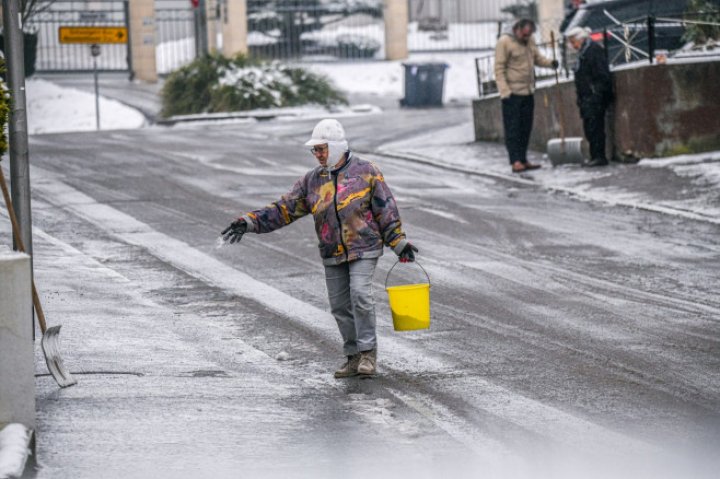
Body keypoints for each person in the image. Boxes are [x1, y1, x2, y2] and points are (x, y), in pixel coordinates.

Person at [221, 118, 417, 378]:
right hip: (332, 251)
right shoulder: (312, 181)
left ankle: (368, 353)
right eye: (315, 150)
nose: (318, 155)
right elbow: (284, 209)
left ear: (336, 146)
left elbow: (386, 210)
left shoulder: (367, 172)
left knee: (360, 294)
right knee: (339, 307)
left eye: (321, 149)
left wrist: (398, 242)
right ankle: (353, 356)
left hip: (364, 246)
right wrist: (249, 222)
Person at [495, 18, 559, 174]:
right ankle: (515, 161)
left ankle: (523, 159)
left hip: (528, 91)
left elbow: (536, 58)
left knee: (525, 128)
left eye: (529, 34)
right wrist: (505, 92)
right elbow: (499, 69)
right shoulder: (504, 42)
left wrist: (550, 64)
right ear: (517, 29)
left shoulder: (530, 40)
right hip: (512, 94)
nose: (526, 37)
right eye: (524, 34)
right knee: (513, 129)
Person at [566, 26, 613, 167]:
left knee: (595, 127)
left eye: (573, 42)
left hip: (593, 97)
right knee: (590, 127)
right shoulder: (584, 52)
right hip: (587, 97)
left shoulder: (593, 50)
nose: (572, 46)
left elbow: (601, 74)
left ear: (580, 39)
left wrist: (596, 94)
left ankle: (599, 156)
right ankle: (595, 156)